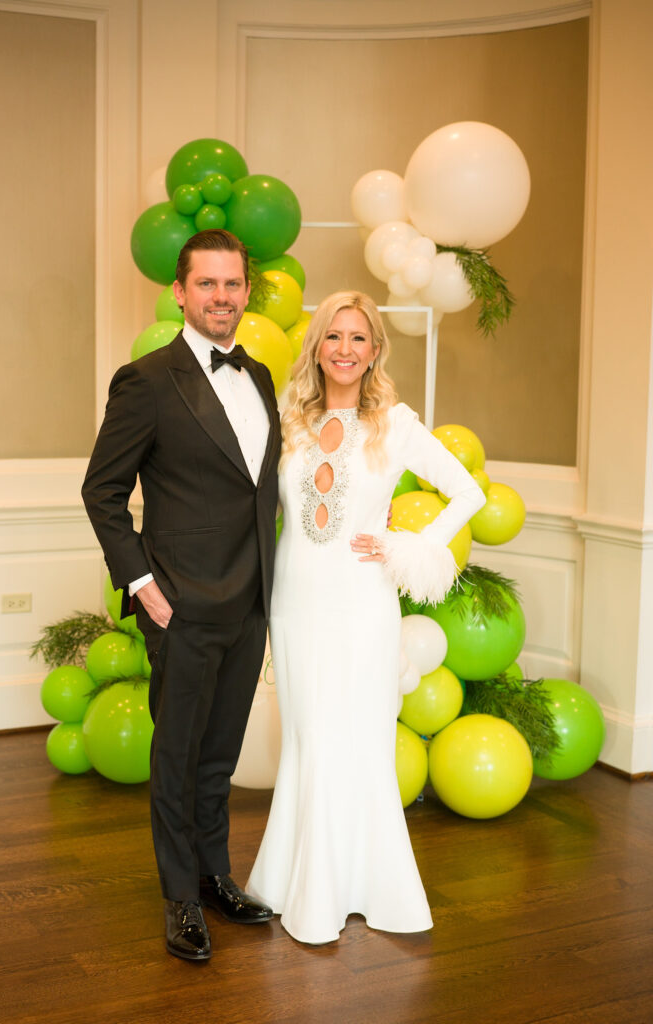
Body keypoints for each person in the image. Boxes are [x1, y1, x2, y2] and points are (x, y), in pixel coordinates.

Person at [246, 291, 485, 944]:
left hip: (362, 606)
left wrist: (408, 547)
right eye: (334, 337)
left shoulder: (397, 424)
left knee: (354, 742)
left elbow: (469, 493)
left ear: (375, 350)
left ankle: (352, 892)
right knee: (307, 740)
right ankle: (295, 881)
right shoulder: (288, 422)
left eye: (359, 338)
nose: (345, 349)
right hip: (294, 604)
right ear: (316, 348)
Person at [82, 229, 281, 962]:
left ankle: (214, 876)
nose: (221, 297)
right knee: (176, 754)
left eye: (232, 285)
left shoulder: (259, 376)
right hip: (184, 603)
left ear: (246, 292)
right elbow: (101, 490)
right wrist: (141, 584)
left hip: (253, 598)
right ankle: (178, 901)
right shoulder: (146, 380)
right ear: (179, 291)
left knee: (218, 754)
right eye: (207, 284)